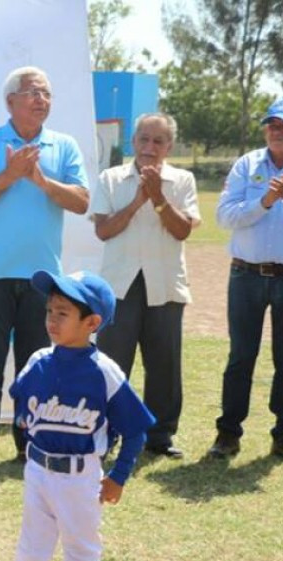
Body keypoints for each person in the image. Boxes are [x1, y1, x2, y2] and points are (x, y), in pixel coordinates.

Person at [8, 270, 154, 561]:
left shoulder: (104, 372)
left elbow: (136, 428)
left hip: (80, 475)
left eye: (62, 313)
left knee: (82, 553)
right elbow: (21, 401)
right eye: (50, 310)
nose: (51, 320)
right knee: (32, 549)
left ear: (92, 323)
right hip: (38, 470)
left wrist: (119, 475)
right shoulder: (38, 360)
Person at [0, 66, 88, 467]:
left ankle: (29, 440)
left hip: (41, 275)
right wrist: (11, 174)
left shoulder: (63, 145)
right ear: (10, 101)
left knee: (37, 359)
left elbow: (82, 202)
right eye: (33, 92)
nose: (41, 100)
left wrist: (40, 181)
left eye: (47, 93)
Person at [209, 98, 283, 464]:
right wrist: (266, 202)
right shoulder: (247, 165)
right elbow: (225, 216)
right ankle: (227, 435)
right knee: (241, 356)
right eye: (271, 123)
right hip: (246, 275)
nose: (277, 129)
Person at [90, 113, 199, 459]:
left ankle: (160, 436)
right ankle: (107, 433)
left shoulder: (182, 180)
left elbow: (182, 230)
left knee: (164, 363)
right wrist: (138, 199)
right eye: (144, 140)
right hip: (119, 287)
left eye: (158, 141)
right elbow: (104, 230)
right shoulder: (111, 178)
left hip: (164, 284)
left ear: (169, 146)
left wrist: (159, 198)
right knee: (112, 363)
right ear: (133, 143)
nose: (150, 148)